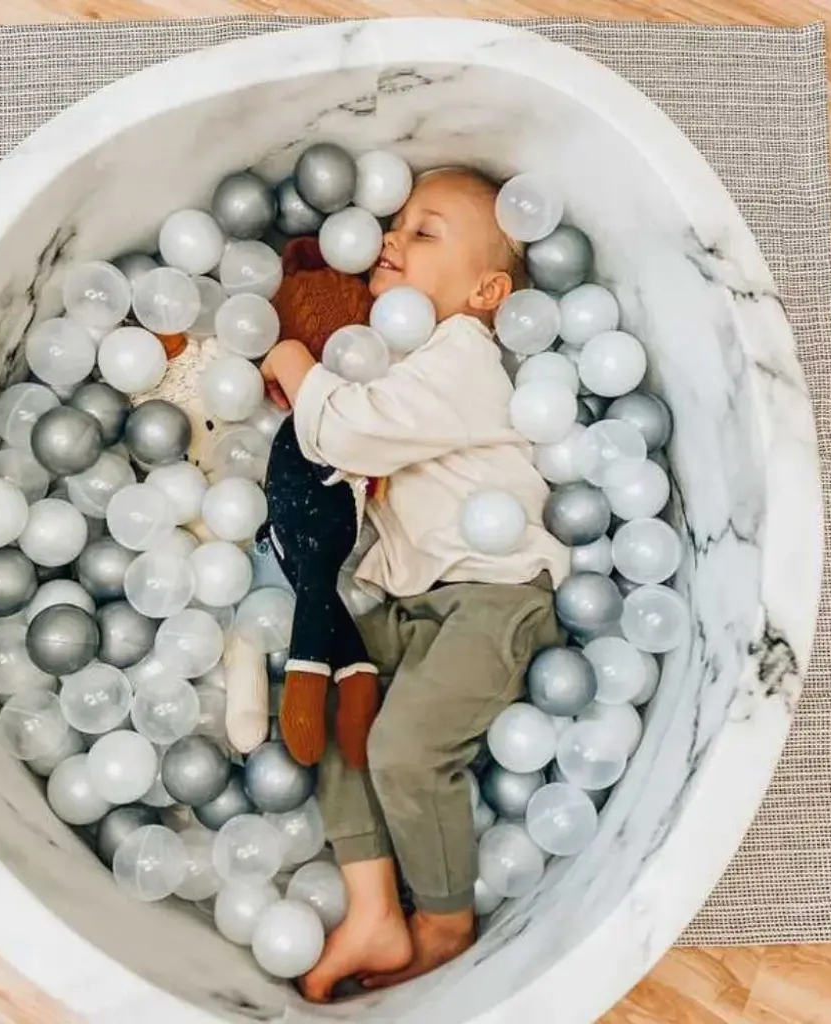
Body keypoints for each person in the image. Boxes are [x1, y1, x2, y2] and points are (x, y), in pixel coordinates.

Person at [259, 167, 569, 1000]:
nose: (390, 238)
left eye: (424, 232)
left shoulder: (462, 354)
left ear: (486, 293)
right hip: (415, 604)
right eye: (393, 225)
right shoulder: (392, 361)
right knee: (337, 704)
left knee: (404, 748)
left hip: (495, 597)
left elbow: (347, 433)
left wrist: (292, 358)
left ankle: (444, 920)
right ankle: (372, 910)